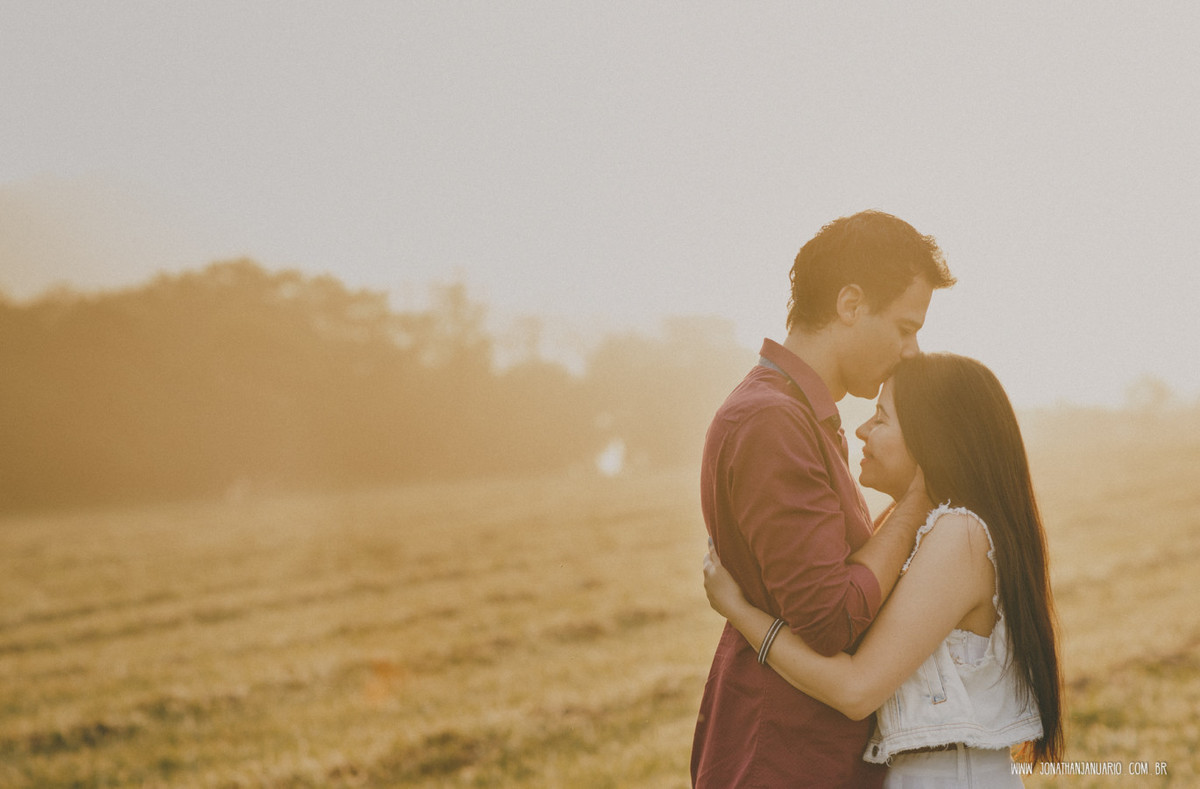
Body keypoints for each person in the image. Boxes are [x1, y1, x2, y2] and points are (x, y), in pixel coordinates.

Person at [704, 353, 1064, 787]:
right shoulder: (922, 532)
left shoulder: (961, 535)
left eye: (880, 418)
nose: (861, 430)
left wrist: (740, 612)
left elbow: (856, 691)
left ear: (930, 439)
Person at [691, 210, 956, 788]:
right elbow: (830, 618)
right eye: (905, 328)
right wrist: (916, 502)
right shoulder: (771, 422)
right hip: (786, 763)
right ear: (851, 304)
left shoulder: (800, 416)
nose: (912, 351)